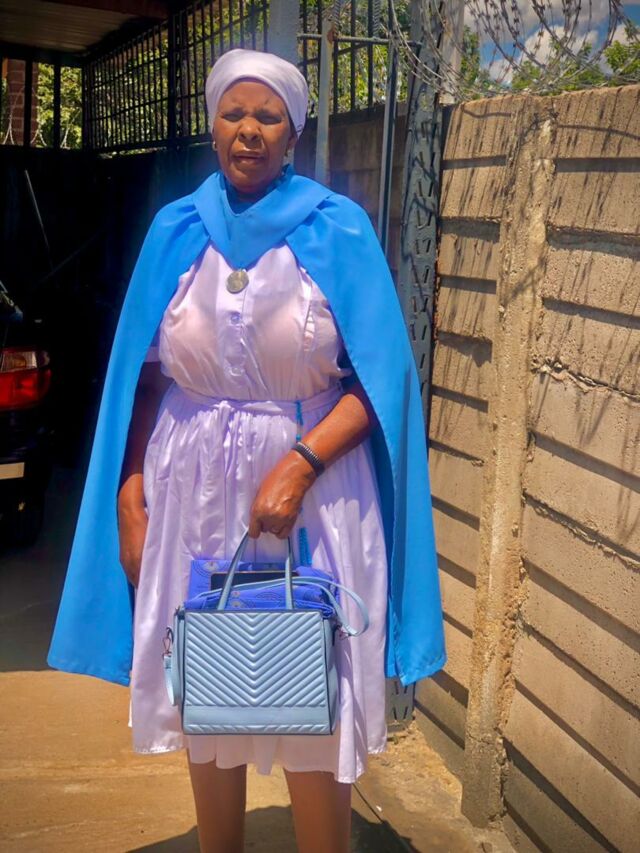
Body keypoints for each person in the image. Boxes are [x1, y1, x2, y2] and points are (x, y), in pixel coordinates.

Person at [47, 49, 445, 853]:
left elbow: (381, 384)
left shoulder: (337, 228)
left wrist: (299, 463)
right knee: (209, 680)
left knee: (311, 683)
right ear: (213, 125)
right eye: (234, 114)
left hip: (314, 495)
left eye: (268, 117)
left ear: (293, 134)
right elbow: (144, 375)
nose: (250, 131)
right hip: (190, 488)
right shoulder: (176, 230)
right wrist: (130, 489)